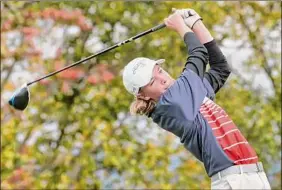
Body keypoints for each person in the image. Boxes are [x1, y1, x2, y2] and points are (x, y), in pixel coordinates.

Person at [122, 8, 271, 189]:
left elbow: (220, 69)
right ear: (143, 95)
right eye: (153, 81)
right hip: (233, 181)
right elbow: (198, 53)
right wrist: (180, 27)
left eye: (160, 70)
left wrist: (195, 24)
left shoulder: (190, 94)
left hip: (252, 176)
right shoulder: (171, 104)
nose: (163, 78)